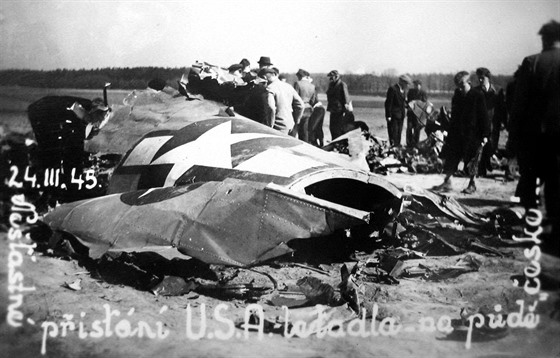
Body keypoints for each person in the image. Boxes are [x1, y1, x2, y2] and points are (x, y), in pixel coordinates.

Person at [506, 20, 560, 254]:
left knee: (529, 180)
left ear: (544, 39)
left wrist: (513, 135)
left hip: (534, 137)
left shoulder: (532, 62)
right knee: (557, 183)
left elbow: (519, 105)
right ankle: (556, 231)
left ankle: (531, 225)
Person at [433, 71, 490, 194]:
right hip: (457, 132)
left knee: (471, 159)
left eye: (462, 85)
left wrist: (485, 135)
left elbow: (484, 116)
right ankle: (447, 181)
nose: (460, 88)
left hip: (473, 134)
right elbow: (454, 116)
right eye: (458, 85)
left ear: (468, 83)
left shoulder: (477, 95)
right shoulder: (457, 96)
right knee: (451, 157)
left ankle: (472, 184)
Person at [474, 67, 506, 176]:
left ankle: (486, 163)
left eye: (482, 78)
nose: (480, 80)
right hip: (481, 124)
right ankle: (482, 168)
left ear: (488, 78)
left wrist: (503, 121)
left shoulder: (497, 91)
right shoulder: (476, 91)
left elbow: (502, 107)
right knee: (483, 145)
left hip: (494, 123)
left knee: (491, 146)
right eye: (479, 78)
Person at [258, 68, 304, 135]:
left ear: (264, 78)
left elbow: (271, 108)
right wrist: (297, 120)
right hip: (290, 125)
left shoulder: (269, 89)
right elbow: (301, 105)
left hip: (278, 127)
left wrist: (270, 126)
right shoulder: (288, 86)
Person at [385, 74, 412, 147]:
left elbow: (402, 103)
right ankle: (393, 148)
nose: (408, 86)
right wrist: (388, 115)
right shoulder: (393, 89)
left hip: (401, 116)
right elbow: (388, 103)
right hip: (393, 116)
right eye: (407, 84)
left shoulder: (403, 91)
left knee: (399, 133)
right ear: (402, 82)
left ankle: (397, 148)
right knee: (393, 134)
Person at [294, 69, 319, 142]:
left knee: (295, 129)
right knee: (305, 130)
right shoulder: (312, 86)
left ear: (299, 76)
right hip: (308, 109)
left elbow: (295, 97)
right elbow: (313, 100)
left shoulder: (297, 83)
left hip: (299, 109)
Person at [326, 70, 351, 140]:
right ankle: (334, 141)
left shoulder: (342, 85)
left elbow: (346, 97)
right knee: (332, 128)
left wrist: (346, 109)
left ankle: (338, 144)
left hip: (339, 110)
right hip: (332, 109)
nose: (330, 79)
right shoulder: (331, 85)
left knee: (338, 128)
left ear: (336, 76)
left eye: (331, 77)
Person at [406, 79, 428, 148]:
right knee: (409, 128)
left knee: (417, 129)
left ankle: (415, 143)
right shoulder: (410, 92)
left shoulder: (423, 93)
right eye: (415, 85)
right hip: (411, 113)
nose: (416, 86)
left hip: (419, 115)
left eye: (417, 85)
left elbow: (425, 103)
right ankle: (408, 143)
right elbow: (408, 102)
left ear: (420, 86)